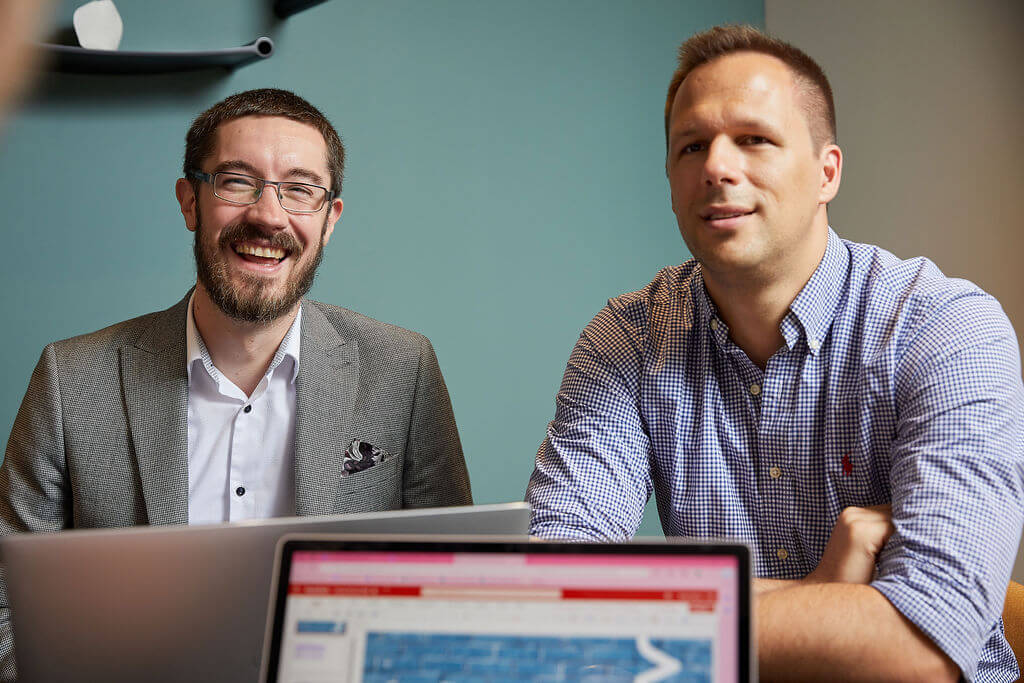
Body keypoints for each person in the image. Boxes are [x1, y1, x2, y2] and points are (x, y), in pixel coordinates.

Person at [526, 25, 1024, 681]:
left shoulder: (947, 328)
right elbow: (549, 602)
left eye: (754, 140)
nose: (716, 167)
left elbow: (925, 646)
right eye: (692, 146)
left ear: (827, 172)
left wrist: (648, 611)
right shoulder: (625, 340)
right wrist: (830, 588)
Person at [0, 88, 471, 678]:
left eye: (300, 189)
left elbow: (456, 595)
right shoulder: (71, 379)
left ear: (330, 220)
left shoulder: (403, 370)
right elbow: (5, 614)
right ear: (190, 202)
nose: (268, 216)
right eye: (236, 181)